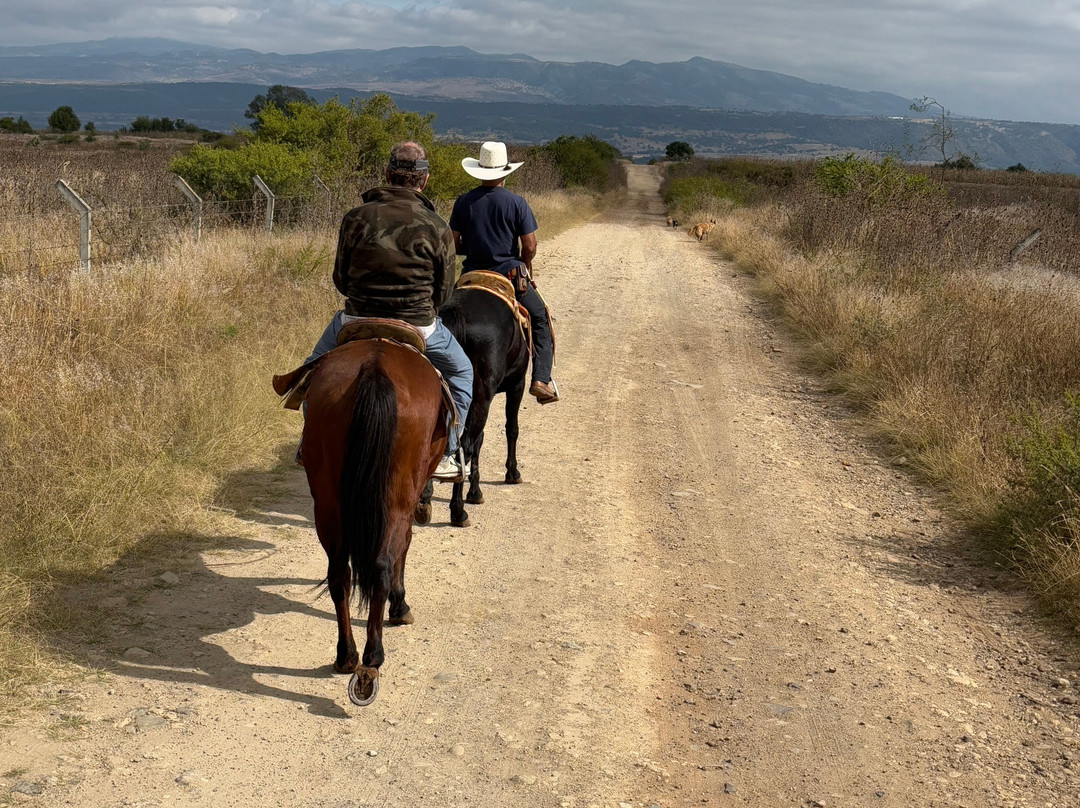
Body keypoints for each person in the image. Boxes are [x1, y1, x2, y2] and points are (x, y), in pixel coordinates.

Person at [302, 141, 473, 482]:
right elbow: (443, 292)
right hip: (418, 325)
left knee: (311, 374)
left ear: (385, 173)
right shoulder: (437, 225)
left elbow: (340, 279)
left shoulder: (354, 218)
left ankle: (309, 441)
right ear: (423, 180)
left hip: (356, 318)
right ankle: (448, 451)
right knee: (463, 374)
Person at [449, 141, 559, 404]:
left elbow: (453, 242)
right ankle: (540, 380)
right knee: (540, 316)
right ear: (505, 172)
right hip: (507, 275)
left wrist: (474, 247)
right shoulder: (516, 203)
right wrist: (521, 261)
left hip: (471, 276)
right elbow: (530, 245)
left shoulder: (463, 202)